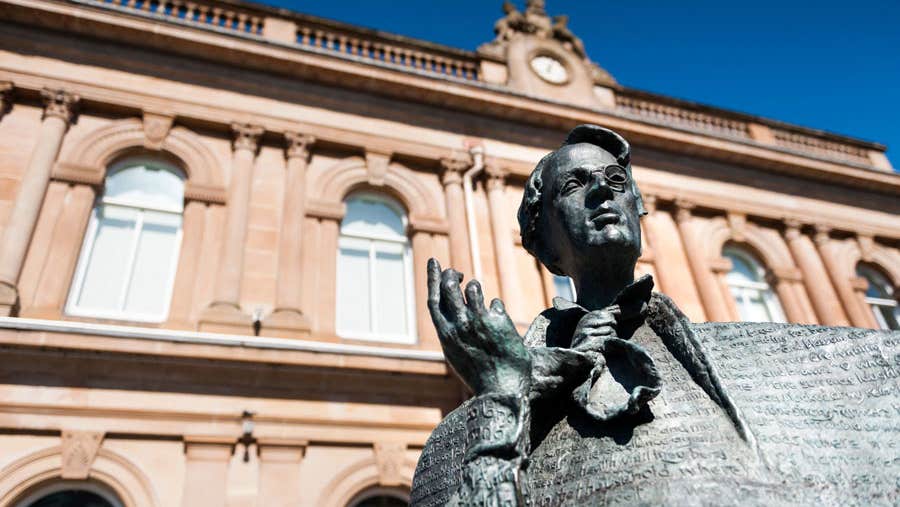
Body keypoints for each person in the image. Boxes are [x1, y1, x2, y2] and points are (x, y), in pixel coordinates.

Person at [411, 125, 900, 506]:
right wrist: (500, 396)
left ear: (638, 206)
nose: (603, 192)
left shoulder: (792, 368)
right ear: (541, 240)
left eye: (616, 181)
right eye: (575, 185)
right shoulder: (469, 428)